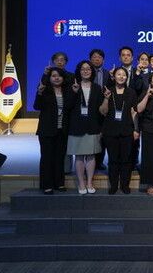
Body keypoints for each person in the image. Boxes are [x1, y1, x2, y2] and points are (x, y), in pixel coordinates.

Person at [99, 67, 139, 194]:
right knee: (113, 159)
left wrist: (136, 129)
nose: (121, 77)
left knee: (126, 160)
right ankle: (114, 185)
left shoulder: (131, 92)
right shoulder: (108, 91)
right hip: (110, 130)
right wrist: (106, 98)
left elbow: (134, 112)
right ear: (114, 76)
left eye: (124, 75)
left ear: (127, 77)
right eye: (118, 74)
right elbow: (103, 112)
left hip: (127, 130)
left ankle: (125, 185)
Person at [67, 61, 103, 194]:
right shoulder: (73, 86)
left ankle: (89, 182)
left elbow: (100, 110)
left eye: (88, 69)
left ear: (92, 72)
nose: (86, 71)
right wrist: (74, 92)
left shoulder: (97, 88)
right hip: (77, 126)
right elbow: (68, 106)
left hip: (93, 125)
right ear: (79, 71)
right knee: (79, 156)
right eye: (83, 69)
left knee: (91, 156)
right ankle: (81, 183)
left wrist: (101, 128)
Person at [34, 67, 71, 194]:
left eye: (59, 76)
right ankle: (47, 185)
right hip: (47, 130)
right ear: (49, 78)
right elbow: (36, 106)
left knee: (59, 158)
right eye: (54, 76)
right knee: (47, 158)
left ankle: (59, 183)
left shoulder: (67, 91)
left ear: (63, 78)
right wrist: (39, 93)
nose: (56, 78)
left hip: (62, 130)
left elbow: (70, 107)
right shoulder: (44, 90)